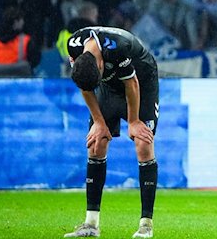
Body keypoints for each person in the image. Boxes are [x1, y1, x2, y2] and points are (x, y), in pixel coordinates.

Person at [64, 26, 160, 239]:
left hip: (141, 81)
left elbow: (131, 83)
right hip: (107, 87)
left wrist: (133, 121)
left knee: (143, 144)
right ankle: (90, 224)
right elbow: (86, 86)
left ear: (101, 65)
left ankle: (146, 224)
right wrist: (98, 122)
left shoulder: (117, 47)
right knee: (96, 143)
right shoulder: (73, 46)